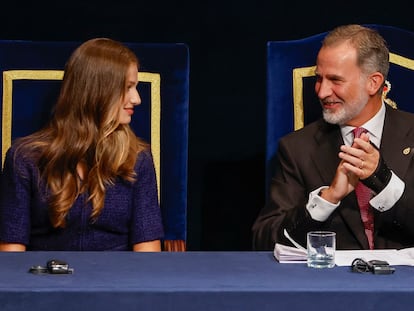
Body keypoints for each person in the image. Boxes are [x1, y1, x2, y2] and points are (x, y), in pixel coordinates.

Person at [252, 24, 414, 250]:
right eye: (319, 79)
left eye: (335, 80)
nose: (321, 92)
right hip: (333, 282)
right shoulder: (298, 149)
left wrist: (384, 182)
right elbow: (265, 242)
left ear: (373, 82)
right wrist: (326, 199)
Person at [0, 38, 164, 251]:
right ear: (97, 92)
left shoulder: (138, 158)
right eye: (128, 87)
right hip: (45, 279)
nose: (137, 99)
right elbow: (11, 255)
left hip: (118, 280)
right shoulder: (24, 158)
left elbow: (148, 255)